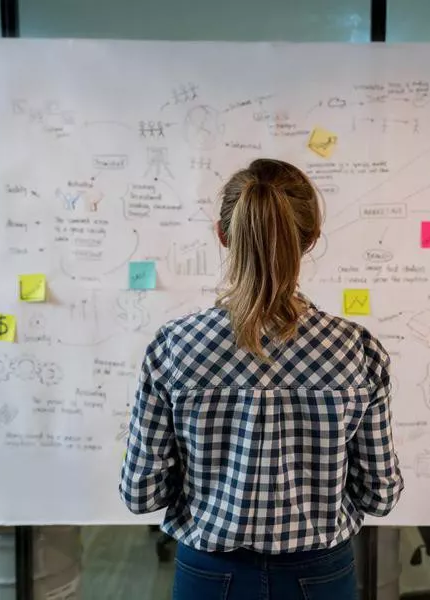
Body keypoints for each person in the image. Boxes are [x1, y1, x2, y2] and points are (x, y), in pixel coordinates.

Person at [120, 158, 403, 600]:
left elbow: (141, 492)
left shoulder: (174, 346)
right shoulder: (355, 348)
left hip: (210, 574)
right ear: (309, 240)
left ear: (222, 234)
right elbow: (380, 495)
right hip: (320, 576)